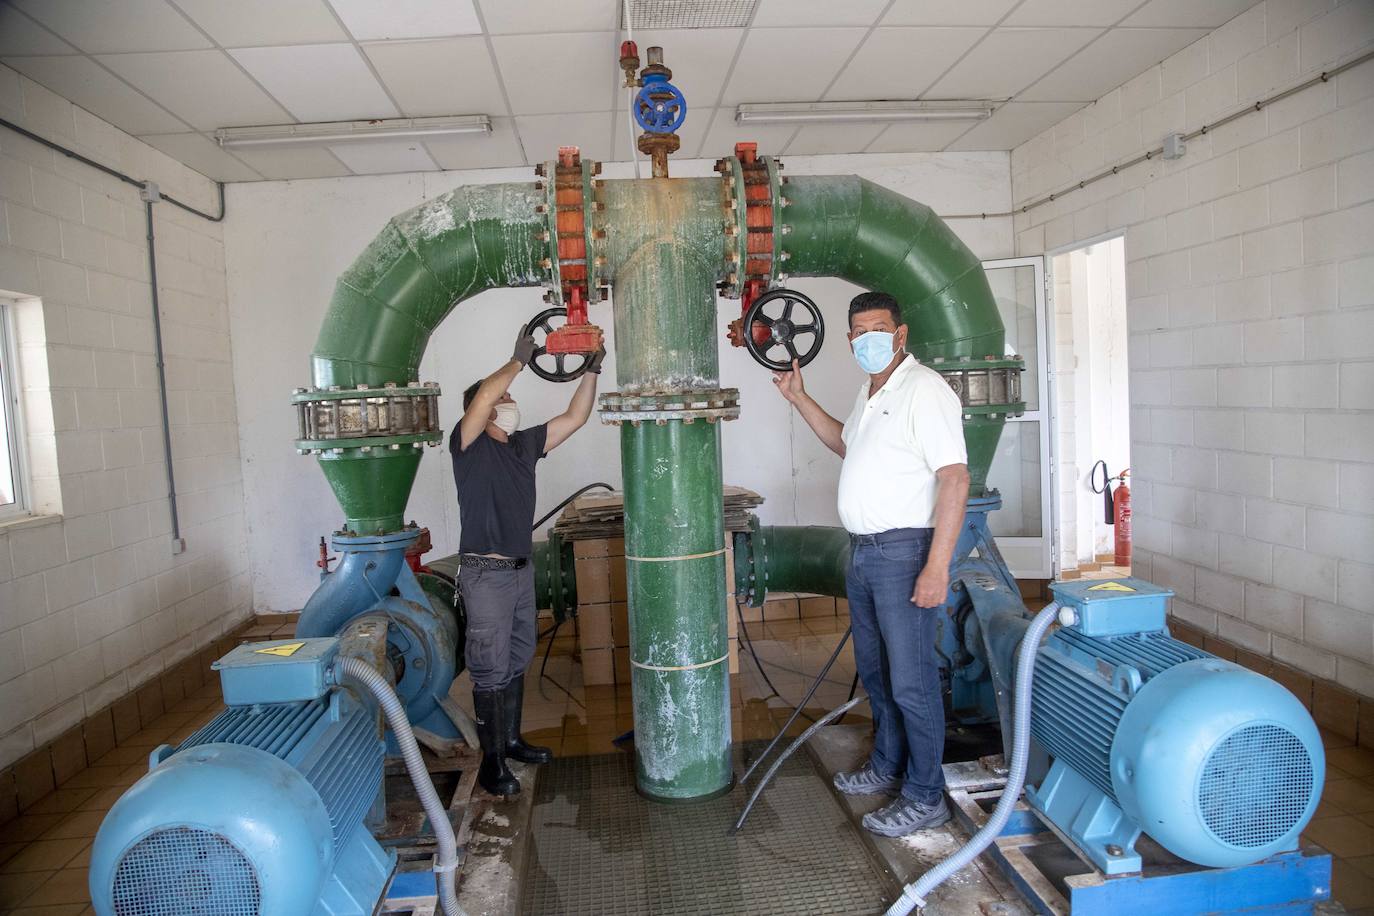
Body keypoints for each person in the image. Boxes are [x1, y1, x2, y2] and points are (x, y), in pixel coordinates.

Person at [772, 290, 970, 837]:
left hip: (905, 552)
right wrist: (799, 398)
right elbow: (846, 443)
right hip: (865, 554)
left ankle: (926, 794)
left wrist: (937, 567)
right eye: (858, 332)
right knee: (879, 675)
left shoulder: (924, 390)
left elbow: (955, 477)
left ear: (900, 334)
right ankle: (888, 767)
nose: (868, 340)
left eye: (878, 329)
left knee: (912, 682)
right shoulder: (872, 391)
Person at [451, 330, 604, 796]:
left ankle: (512, 741)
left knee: (517, 658)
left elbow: (575, 417)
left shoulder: (523, 446)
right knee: (489, 667)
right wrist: (517, 360)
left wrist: (592, 368)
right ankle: (492, 763)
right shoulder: (468, 444)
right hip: (485, 577)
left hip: (520, 573)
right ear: (485, 405)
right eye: (505, 397)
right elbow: (483, 398)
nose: (511, 402)